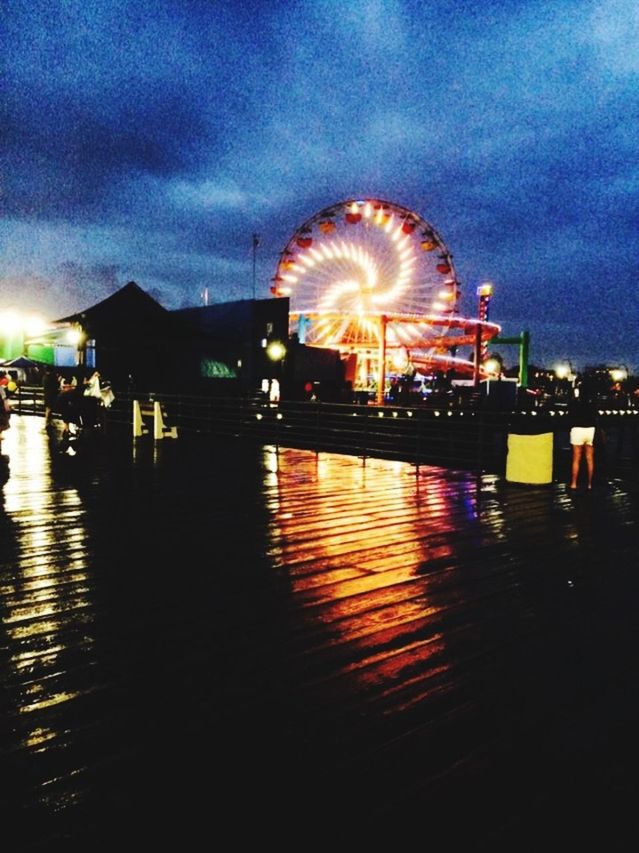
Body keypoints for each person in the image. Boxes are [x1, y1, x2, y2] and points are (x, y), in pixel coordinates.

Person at [568, 388, 598, 490]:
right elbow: (595, 416)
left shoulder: (574, 403)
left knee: (576, 458)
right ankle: (590, 484)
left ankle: (574, 483)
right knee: (590, 458)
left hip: (577, 429)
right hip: (590, 429)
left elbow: (570, 415)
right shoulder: (592, 403)